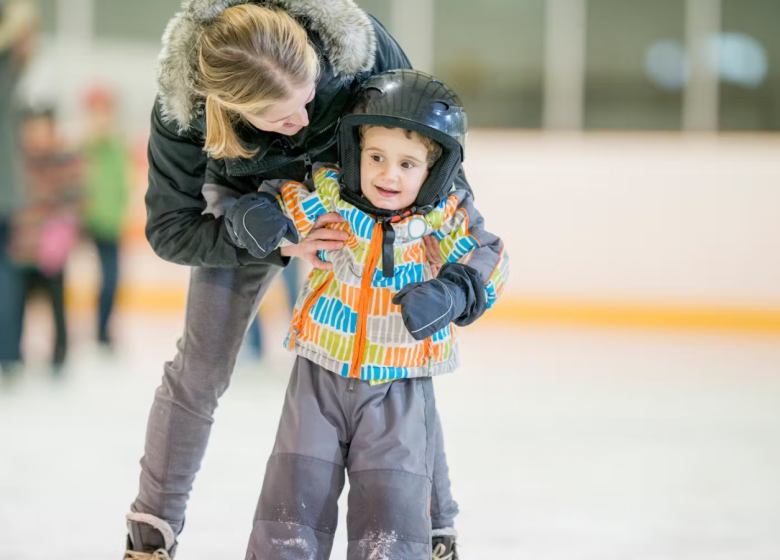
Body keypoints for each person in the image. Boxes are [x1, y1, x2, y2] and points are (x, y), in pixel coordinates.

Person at [126, 2, 473, 557]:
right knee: (201, 367)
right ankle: (151, 534)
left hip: (351, 196)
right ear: (228, 108)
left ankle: (436, 528)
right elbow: (170, 230)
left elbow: (427, 135)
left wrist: (446, 232)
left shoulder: (359, 50)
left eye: (310, 99)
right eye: (283, 117)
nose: (305, 122)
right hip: (244, 206)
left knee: (400, 355)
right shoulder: (184, 111)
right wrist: (270, 238)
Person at [228, 69, 509, 560]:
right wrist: (258, 215)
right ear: (357, 153)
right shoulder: (331, 196)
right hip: (317, 376)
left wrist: (453, 291)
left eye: (407, 163)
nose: (388, 175)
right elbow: (279, 199)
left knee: (390, 517)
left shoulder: (440, 218)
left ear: (433, 171)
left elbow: (489, 257)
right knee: (291, 502)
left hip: (397, 387)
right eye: (376, 157)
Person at [9, 107, 83, 371]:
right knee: (16, 304)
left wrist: (64, 233)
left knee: (56, 304)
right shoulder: (16, 161)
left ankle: (59, 354)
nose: (38, 136)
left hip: (53, 251)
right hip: (22, 248)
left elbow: (76, 200)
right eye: (33, 129)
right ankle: (13, 356)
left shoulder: (64, 160)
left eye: (43, 129)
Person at [0, 0, 36, 375]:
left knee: (8, 274)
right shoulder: (9, 72)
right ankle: (9, 353)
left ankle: (9, 352)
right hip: (8, 190)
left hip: (8, 192)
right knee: (7, 273)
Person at [82, 85, 131, 348]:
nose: (101, 118)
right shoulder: (83, 148)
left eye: (105, 112)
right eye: (96, 112)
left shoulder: (117, 146)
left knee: (111, 279)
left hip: (111, 224)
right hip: (84, 224)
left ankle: (102, 329)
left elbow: (121, 186)